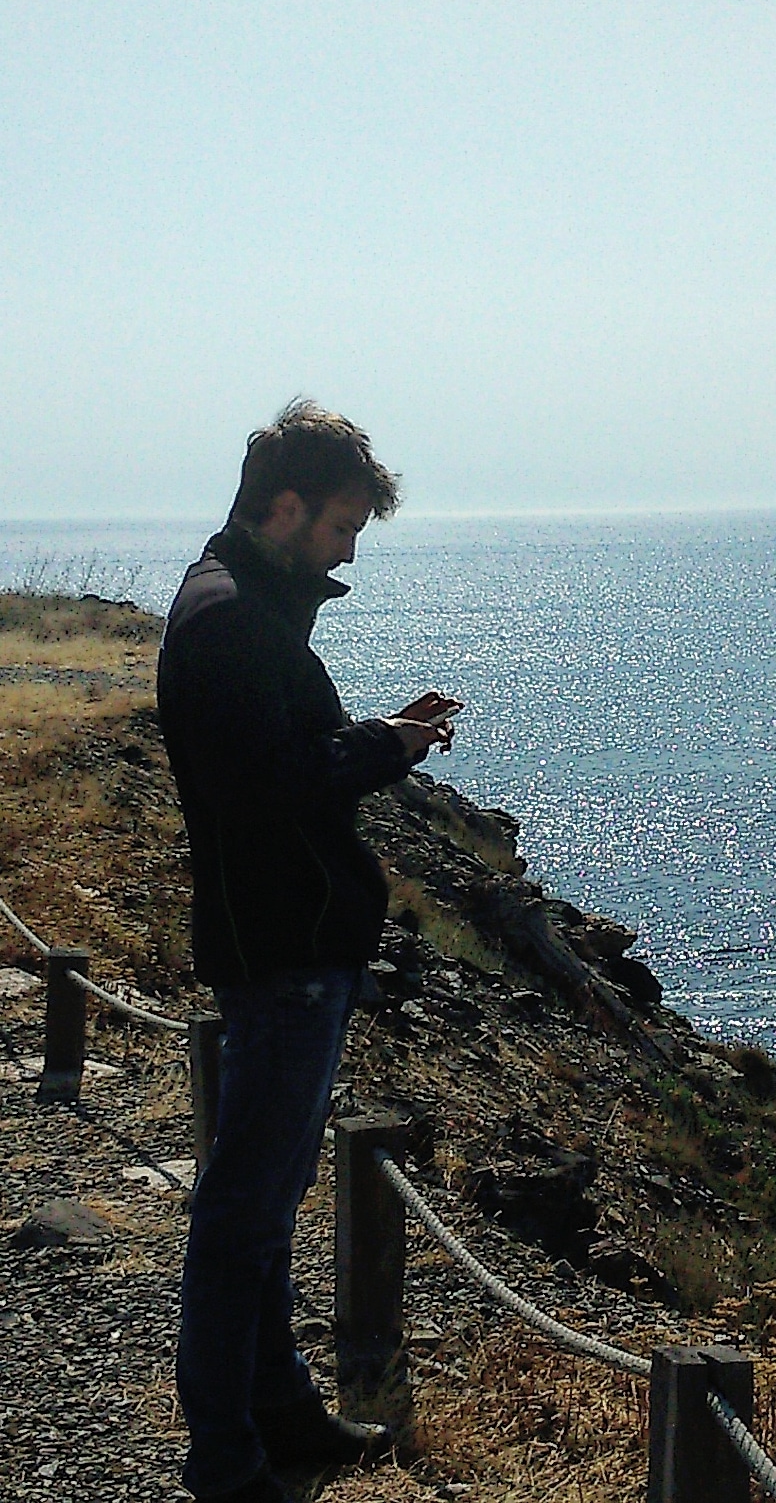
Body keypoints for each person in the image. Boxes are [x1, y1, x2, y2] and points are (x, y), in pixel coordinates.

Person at [157, 399, 460, 1503]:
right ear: (285, 507)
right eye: (339, 527)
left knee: (264, 1203)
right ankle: (226, 1454)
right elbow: (273, 789)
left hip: (282, 944)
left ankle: (277, 1410)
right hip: (280, 951)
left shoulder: (235, 605)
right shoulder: (232, 620)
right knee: (243, 1213)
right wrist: (387, 746)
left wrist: (378, 734)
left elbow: (273, 759)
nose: (346, 553)